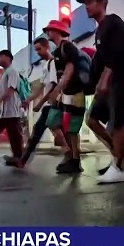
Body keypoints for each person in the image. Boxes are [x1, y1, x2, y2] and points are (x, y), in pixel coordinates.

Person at [77, 0, 124, 184]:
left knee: (118, 122)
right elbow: (98, 61)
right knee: (91, 119)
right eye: (85, 2)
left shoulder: (113, 21)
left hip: (120, 80)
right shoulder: (99, 31)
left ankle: (118, 167)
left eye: (90, 1)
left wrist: (106, 78)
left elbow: (119, 51)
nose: (87, 6)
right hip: (107, 84)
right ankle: (116, 155)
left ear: (103, 2)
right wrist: (90, 85)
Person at [4, 36, 58, 169]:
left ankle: (22, 161)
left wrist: (40, 103)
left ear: (47, 47)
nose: (38, 52)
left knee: (39, 132)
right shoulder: (46, 65)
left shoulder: (53, 63)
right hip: (49, 104)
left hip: (52, 104)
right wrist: (29, 99)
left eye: (39, 49)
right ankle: (71, 156)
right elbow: (41, 86)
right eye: (35, 50)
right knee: (52, 131)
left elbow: (52, 86)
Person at [42, 20, 87, 174]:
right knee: (61, 125)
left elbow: (68, 73)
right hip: (67, 94)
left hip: (75, 93)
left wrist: (57, 91)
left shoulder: (67, 47)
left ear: (57, 31)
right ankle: (71, 157)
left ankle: (75, 161)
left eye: (50, 29)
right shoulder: (57, 51)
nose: (47, 32)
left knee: (73, 129)